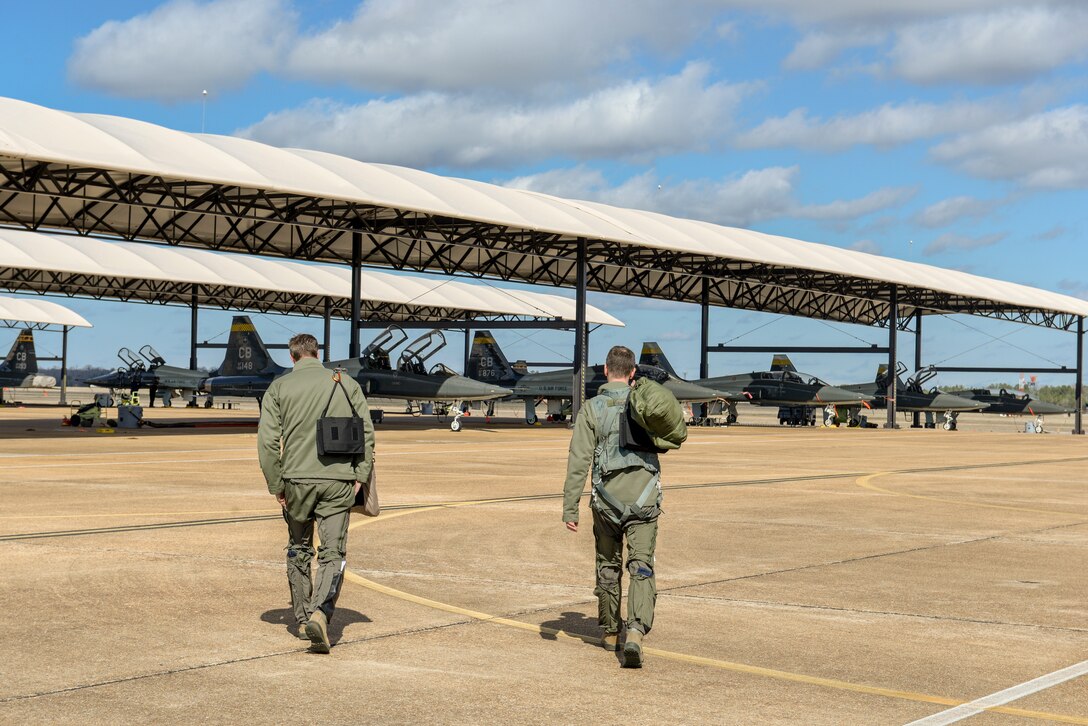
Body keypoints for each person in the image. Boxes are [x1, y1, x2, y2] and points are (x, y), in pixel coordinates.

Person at [258, 333, 375, 653]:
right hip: (338, 481)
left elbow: (267, 443)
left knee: (298, 548)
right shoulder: (345, 383)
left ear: (292, 356)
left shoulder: (278, 388)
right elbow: (366, 431)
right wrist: (360, 475)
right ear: (317, 353)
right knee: (332, 552)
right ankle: (321, 613)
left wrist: (276, 484)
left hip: (296, 481)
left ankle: (301, 617)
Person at [562, 345, 662, 668]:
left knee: (608, 566)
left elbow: (578, 462)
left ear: (606, 370)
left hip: (606, 502)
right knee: (641, 566)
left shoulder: (591, 409)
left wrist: (570, 508)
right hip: (644, 500)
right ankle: (635, 631)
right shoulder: (644, 403)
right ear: (633, 372)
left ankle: (609, 632)